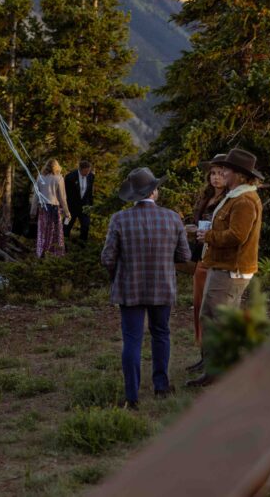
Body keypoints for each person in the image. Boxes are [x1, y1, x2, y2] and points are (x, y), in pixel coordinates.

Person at [101, 168, 190, 410]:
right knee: (161, 334)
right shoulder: (173, 218)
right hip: (162, 286)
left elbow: (107, 258)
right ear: (153, 192)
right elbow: (184, 255)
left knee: (132, 339)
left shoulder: (119, 219)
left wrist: (117, 277)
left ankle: (132, 397)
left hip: (130, 288)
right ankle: (161, 386)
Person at [188, 149, 264, 388]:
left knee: (217, 319)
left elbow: (238, 235)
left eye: (227, 170)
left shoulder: (244, 200)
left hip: (231, 269)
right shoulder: (236, 196)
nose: (223, 173)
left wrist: (208, 235)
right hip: (222, 266)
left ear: (239, 174)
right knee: (213, 317)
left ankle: (220, 374)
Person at [185, 154, 228, 372]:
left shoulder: (230, 200)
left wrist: (208, 232)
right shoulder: (207, 197)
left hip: (217, 257)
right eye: (213, 173)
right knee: (199, 305)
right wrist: (194, 230)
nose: (216, 178)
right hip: (202, 253)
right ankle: (204, 353)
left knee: (213, 308)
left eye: (221, 173)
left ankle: (215, 357)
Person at [32, 159, 70, 258]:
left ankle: (42, 252)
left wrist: (33, 210)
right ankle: (55, 254)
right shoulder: (59, 178)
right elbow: (62, 198)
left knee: (43, 231)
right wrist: (67, 212)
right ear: (57, 167)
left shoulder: (40, 178)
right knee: (55, 233)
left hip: (43, 208)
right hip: (54, 208)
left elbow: (36, 195)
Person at [63, 159, 94, 243]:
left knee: (85, 225)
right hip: (71, 206)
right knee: (66, 225)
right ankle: (63, 243)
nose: (87, 173)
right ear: (80, 169)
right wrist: (65, 206)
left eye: (88, 171)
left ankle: (82, 244)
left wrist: (90, 205)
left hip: (85, 206)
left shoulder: (91, 176)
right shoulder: (70, 177)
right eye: (85, 171)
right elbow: (65, 192)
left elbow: (90, 191)